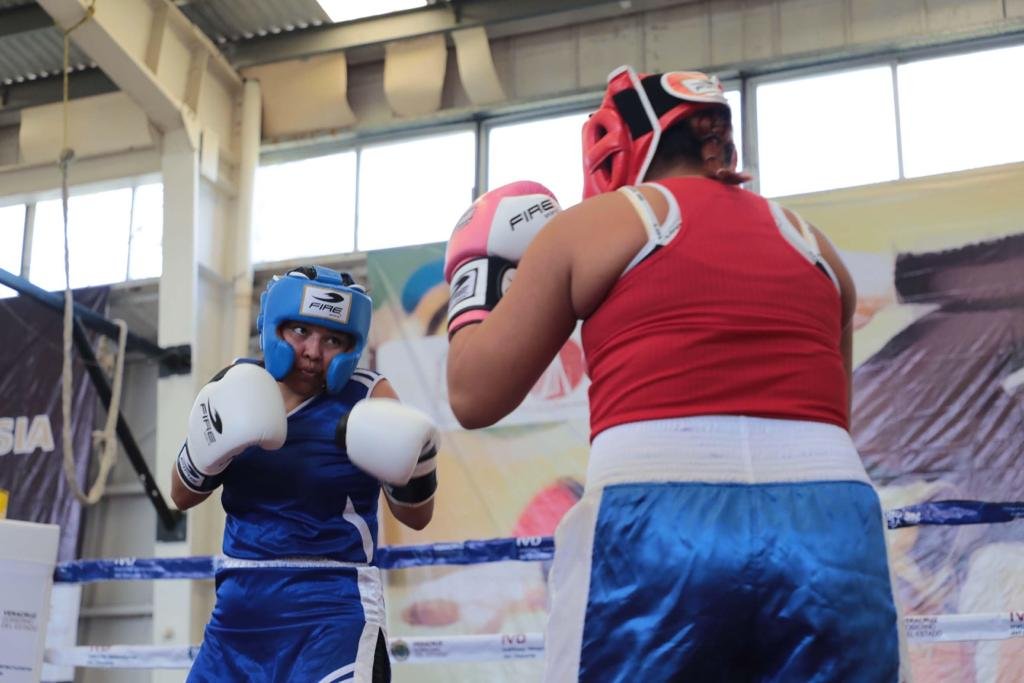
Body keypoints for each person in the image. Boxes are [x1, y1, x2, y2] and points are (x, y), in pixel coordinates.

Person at [443, 65, 907, 682]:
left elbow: (473, 393)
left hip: (656, 519)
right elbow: (829, 417)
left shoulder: (597, 226)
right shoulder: (817, 247)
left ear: (619, 141)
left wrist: (475, 275)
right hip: (831, 525)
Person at [171, 265, 439, 682]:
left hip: (331, 605)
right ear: (273, 328)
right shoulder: (236, 382)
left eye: (333, 339)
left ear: (352, 346)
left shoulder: (369, 396)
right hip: (238, 608)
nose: (313, 351)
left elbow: (416, 517)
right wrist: (208, 451)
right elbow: (182, 495)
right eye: (300, 331)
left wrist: (419, 461)